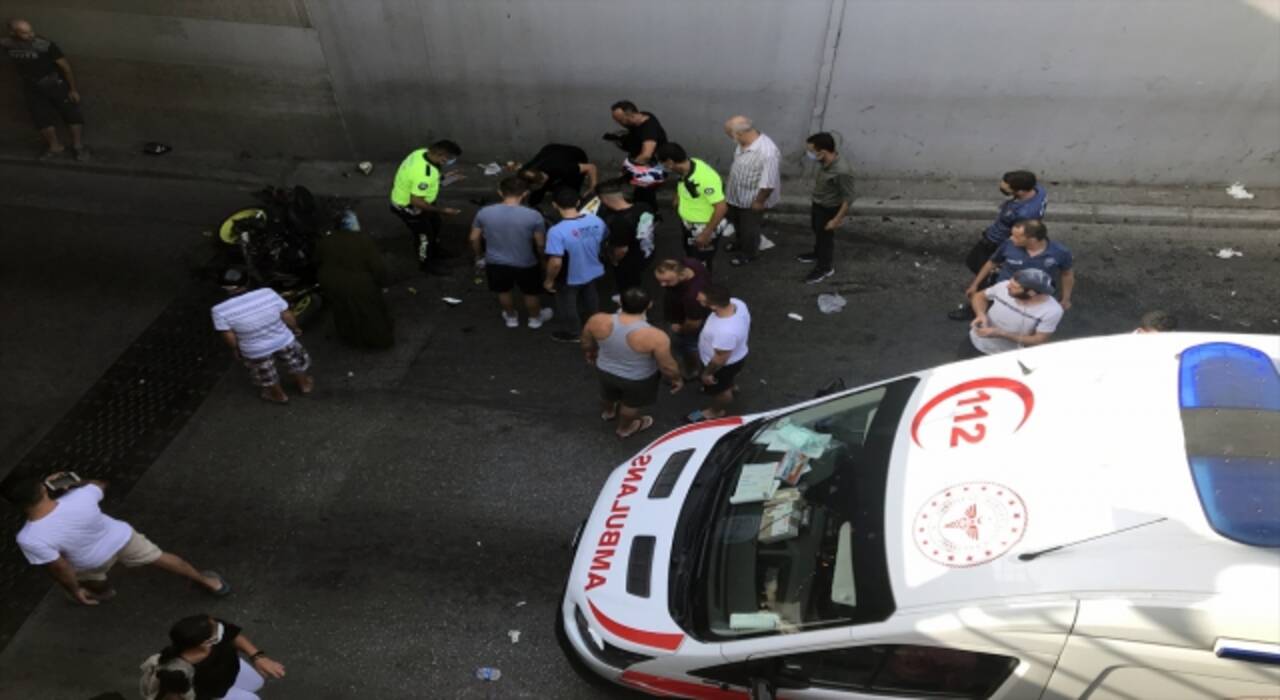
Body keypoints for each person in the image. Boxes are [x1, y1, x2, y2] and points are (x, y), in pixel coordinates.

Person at [6, 474, 229, 606]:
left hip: (90, 560)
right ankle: (209, 582)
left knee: (91, 578)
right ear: (44, 488)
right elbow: (101, 484)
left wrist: (74, 590)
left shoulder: (29, 537)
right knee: (160, 557)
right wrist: (74, 481)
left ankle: (102, 593)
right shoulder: (79, 496)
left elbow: (60, 568)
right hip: (122, 537)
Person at [581, 288, 683, 438]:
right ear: (649, 305)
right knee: (630, 405)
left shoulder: (597, 320)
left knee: (607, 394)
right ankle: (625, 428)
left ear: (620, 302)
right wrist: (676, 379)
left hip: (604, 369)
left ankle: (608, 412)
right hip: (637, 379)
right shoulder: (656, 336)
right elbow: (667, 366)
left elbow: (585, 342)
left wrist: (590, 353)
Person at [949, 170, 1048, 319]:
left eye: (1007, 188)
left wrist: (1005, 252)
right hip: (994, 237)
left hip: (997, 242)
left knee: (985, 274)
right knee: (973, 262)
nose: (1002, 188)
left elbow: (1018, 236)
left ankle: (978, 306)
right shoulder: (1037, 190)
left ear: (1020, 191)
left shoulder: (1024, 214)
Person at [211, 268, 314, 404]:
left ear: (223, 288)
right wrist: (295, 328)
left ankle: (279, 396)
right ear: (247, 282)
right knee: (294, 362)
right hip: (283, 339)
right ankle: (304, 385)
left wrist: (236, 349)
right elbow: (287, 314)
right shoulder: (267, 293)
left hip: (254, 350)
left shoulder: (219, 310)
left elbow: (228, 336)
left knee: (265, 374)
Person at [470, 177, 554, 329]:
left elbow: (474, 238)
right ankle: (535, 319)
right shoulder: (534, 215)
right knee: (530, 292)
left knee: (503, 291)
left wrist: (479, 256)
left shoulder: (484, 212)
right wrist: (543, 260)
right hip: (526, 262)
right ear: (525, 193)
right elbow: (540, 244)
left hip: (495, 262)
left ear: (500, 192)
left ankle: (511, 318)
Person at [1, 19, 88, 160]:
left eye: (31, 30)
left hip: (54, 84)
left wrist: (73, 89)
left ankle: (78, 147)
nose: (31, 35)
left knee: (71, 114)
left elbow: (66, 67)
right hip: (32, 87)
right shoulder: (7, 44)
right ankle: (55, 147)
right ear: (13, 33)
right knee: (41, 118)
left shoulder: (44, 45)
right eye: (25, 33)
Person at [142, 614, 285, 700]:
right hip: (210, 696)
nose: (220, 626)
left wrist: (257, 657)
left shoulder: (211, 629)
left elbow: (233, 636)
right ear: (205, 643)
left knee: (257, 682)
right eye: (216, 628)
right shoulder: (176, 673)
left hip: (230, 673)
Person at [315, 211, 393, 349]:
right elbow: (377, 266)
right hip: (359, 283)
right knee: (369, 313)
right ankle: (377, 342)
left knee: (343, 311)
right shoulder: (363, 240)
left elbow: (318, 260)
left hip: (331, 282)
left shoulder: (325, 241)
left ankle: (350, 338)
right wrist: (383, 282)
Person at [963, 219, 1075, 311]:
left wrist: (1066, 298)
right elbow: (992, 263)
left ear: (1032, 240)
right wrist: (975, 285)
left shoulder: (1060, 253)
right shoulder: (1008, 245)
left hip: (1035, 299)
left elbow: (1066, 274)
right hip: (1005, 293)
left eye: (1016, 236)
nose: (1011, 238)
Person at [389, 140, 464, 275]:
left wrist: (445, 178)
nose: (450, 162)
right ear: (441, 154)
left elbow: (428, 177)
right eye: (450, 159)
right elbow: (417, 201)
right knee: (424, 237)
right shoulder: (424, 175)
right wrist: (442, 210)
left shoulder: (421, 152)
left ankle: (435, 250)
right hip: (410, 208)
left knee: (435, 224)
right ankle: (426, 263)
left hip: (424, 201)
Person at [656, 142, 732, 272]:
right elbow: (683, 182)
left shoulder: (705, 178)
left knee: (701, 261)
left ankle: (702, 287)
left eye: (662, 163)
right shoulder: (689, 165)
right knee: (691, 254)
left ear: (669, 162)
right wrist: (678, 197)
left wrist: (706, 233)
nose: (661, 167)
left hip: (702, 227)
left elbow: (721, 207)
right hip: (690, 224)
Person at [544, 188, 607, 343]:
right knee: (591, 297)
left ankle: (574, 333)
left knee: (568, 304)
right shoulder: (596, 220)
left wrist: (549, 280)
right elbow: (604, 239)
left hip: (570, 276)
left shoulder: (556, 231)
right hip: (593, 269)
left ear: (554, 205)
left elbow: (556, 262)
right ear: (578, 202)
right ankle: (595, 325)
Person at [723, 116, 781, 267]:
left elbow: (768, 183)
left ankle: (749, 253)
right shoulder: (743, 142)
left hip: (752, 200)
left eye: (729, 134)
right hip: (736, 195)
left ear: (740, 133)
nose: (730, 138)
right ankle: (739, 242)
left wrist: (759, 201)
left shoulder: (767, 152)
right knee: (737, 222)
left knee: (750, 228)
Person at [965, 268, 1064, 356]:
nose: (1008, 286)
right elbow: (979, 296)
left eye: (1014, 286)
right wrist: (980, 314)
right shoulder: (1004, 286)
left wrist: (1002, 334)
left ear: (1031, 293)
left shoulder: (1052, 311)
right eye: (1010, 282)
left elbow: (1039, 340)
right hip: (975, 342)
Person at [800, 132, 855, 284]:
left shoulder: (842, 171)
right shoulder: (824, 161)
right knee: (817, 231)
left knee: (825, 240)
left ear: (822, 152)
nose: (809, 154)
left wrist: (836, 220)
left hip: (829, 209)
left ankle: (824, 268)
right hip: (818, 203)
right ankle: (817, 254)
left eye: (811, 151)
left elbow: (849, 198)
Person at [690, 284, 751, 423]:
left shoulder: (725, 332)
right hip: (738, 356)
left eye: (701, 300)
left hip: (723, 366)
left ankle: (715, 411)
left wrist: (707, 373)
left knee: (721, 391)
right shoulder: (737, 303)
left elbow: (720, 358)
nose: (697, 300)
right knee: (728, 380)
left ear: (713, 307)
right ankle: (730, 385)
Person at [596, 177, 656, 303]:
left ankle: (632, 305)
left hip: (629, 260)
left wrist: (614, 261)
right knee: (636, 279)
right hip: (646, 250)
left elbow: (621, 250)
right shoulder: (644, 206)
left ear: (603, 199)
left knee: (628, 284)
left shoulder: (619, 222)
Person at [654, 258, 711, 379]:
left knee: (690, 345)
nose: (662, 285)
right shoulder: (692, 264)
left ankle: (693, 370)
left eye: (667, 281)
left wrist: (681, 329)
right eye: (660, 280)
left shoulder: (691, 296)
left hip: (684, 322)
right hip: (680, 313)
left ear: (682, 274)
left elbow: (694, 323)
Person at [606, 100, 668, 207]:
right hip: (644, 165)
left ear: (629, 115)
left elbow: (646, 155)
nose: (619, 123)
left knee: (643, 194)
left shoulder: (649, 129)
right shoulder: (643, 116)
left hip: (653, 167)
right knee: (640, 194)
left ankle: (650, 215)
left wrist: (628, 169)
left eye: (620, 120)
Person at [515, 143, 598, 209]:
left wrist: (593, 188)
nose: (546, 178)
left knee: (570, 188)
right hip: (550, 150)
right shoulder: (524, 171)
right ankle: (532, 205)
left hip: (576, 154)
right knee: (540, 191)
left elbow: (591, 167)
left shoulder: (563, 168)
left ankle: (574, 206)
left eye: (544, 178)